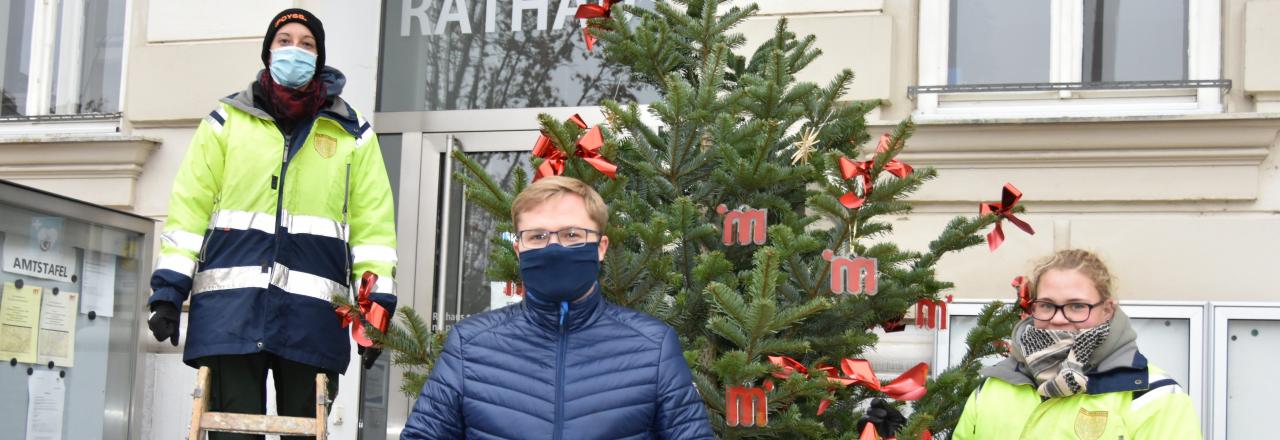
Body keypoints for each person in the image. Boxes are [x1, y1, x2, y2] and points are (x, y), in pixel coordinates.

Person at [145, 8, 397, 439]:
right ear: (267, 52)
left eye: (307, 44)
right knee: (233, 433)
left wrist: (374, 312)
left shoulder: (352, 134)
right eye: (285, 41)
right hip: (230, 316)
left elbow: (374, 229)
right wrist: (169, 292)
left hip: (313, 320)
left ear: (319, 57)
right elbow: (189, 210)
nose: (294, 51)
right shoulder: (226, 123)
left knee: (303, 433)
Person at [401, 176, 713, 439]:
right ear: (519, 248)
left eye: (572, 234)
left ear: (601, 247)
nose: (554, 247)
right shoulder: (470, 345)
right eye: (537, 236)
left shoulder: (652, 346)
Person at [951, 249, 1200, 439]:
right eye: (1047, 305)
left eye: (1077, 306)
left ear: (1107, 310)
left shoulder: (1150, 395)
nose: (1059, 318)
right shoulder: (993, 390)